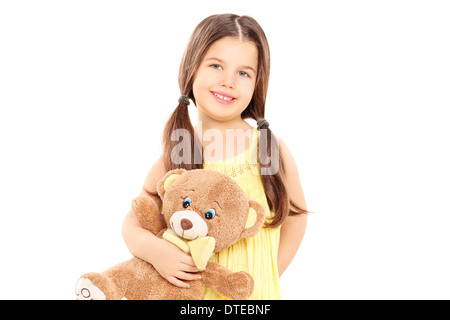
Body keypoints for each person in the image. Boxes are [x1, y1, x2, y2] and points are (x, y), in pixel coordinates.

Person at [121, 13, 307, 299]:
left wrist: (267, 275)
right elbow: (134, 221)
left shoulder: (269, 149)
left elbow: (295, 219)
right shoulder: (180, 151)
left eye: (243, 72)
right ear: (192, 68)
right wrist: (156, 252)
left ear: (257, 83)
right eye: (216, 65)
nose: (228, 81)